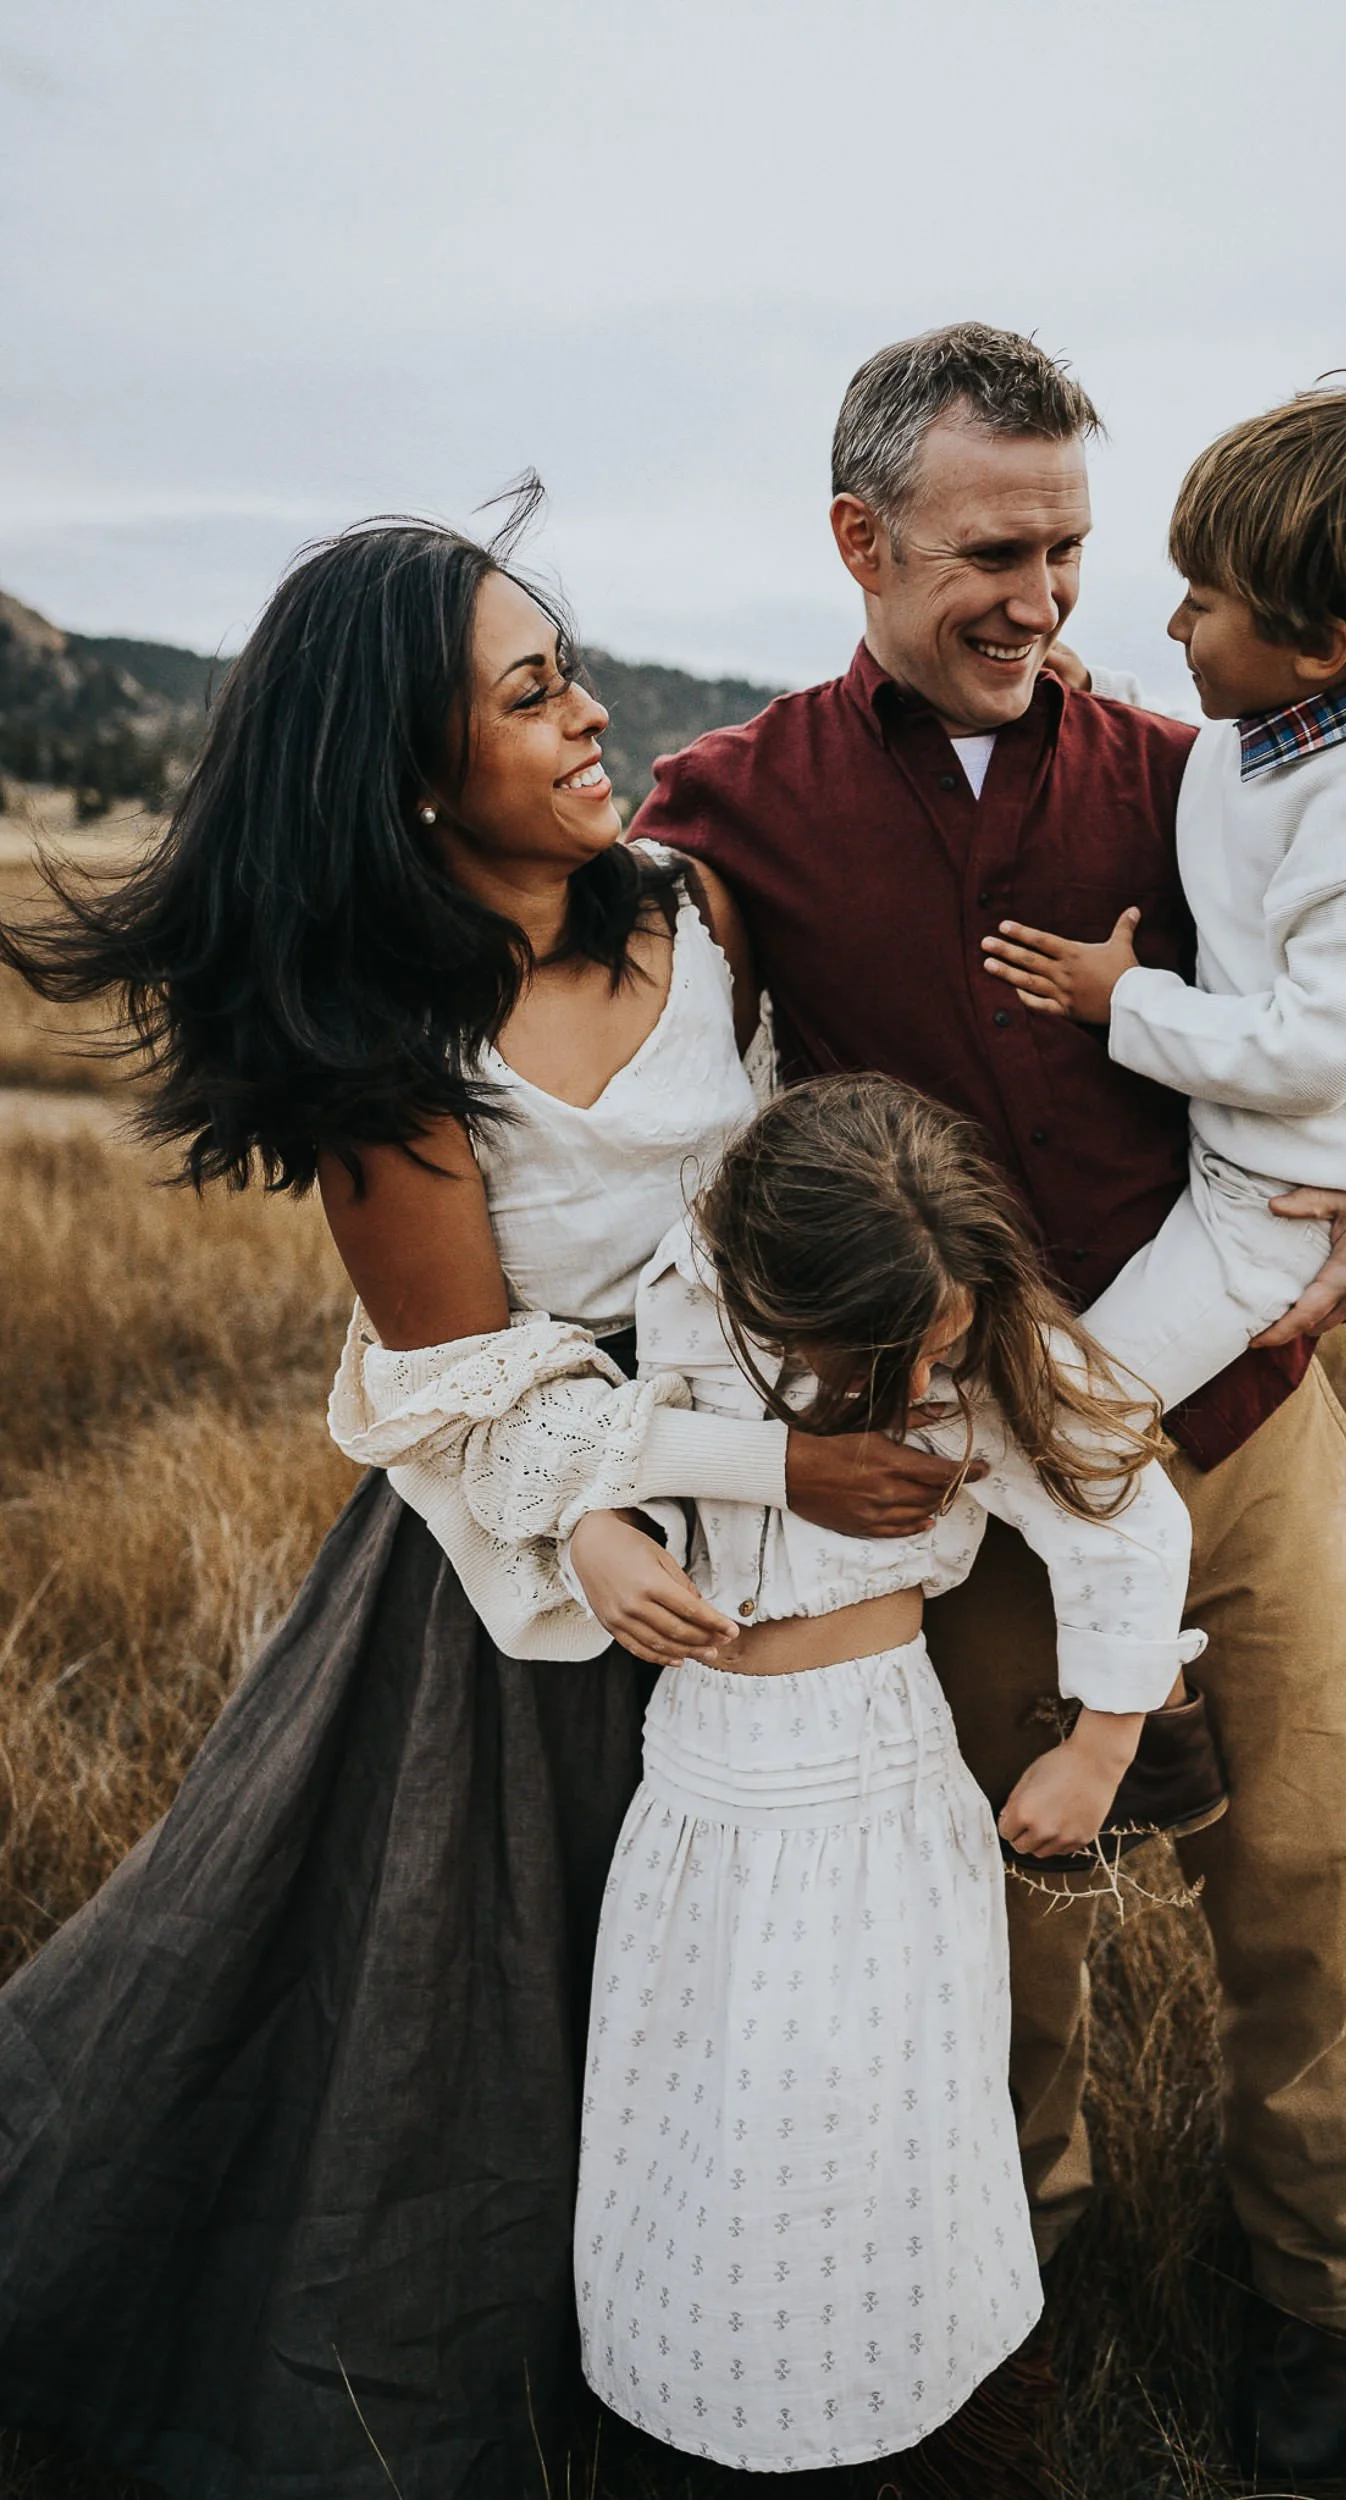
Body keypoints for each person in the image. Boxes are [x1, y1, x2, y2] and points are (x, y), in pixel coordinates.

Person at [0, 496, 966, 2498]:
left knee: (762, 1973)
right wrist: (596, 1517)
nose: (590, 711)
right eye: (531, 695)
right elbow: (457, 1371)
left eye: (570, 663)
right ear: (408, 774)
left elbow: (787, 1186)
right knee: (480, 2008)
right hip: (526, 1561)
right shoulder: (381, 1035)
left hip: (767, 1518)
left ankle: (757, 2365)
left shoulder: (699, 911)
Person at [630, 323, 1346, 2481]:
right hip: (978, 1484)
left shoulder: (1196, 766)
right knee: (1003, 1923)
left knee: (1313, 1886)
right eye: (992, 551)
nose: (1044, 598)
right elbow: (599, 1039)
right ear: (861, 539)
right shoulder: (730, 804)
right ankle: (1003, 2277)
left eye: (1073, 549)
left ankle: (1312, 2296)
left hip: (1243, 1435)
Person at [567, 1074, 1203, 2479]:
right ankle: (713, 2414)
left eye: (942, 1350)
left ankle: (906, 2423)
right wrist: (595, 1531)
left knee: (864, 2119)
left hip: (871, 1789)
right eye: (886, 1360)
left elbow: (1130, 1519)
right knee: (703, 2114)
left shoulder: (968, 1351)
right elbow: (578, 1439)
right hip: (696, 1784)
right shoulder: (678, 1295)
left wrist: (1103, 1747)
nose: (923, 1387)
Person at [982, 378, 1346, 1413]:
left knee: (1072, 1415)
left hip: (1273, 1203)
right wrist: (1099, 705)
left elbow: (1315, 1055)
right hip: (1226, 1162)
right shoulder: (1303, 720)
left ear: (1317, 648)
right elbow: (1221, 767)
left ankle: (1126, 1568)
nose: (1174, 622)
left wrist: (1120, 999)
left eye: (1202, 602)